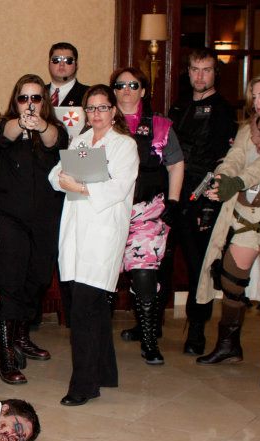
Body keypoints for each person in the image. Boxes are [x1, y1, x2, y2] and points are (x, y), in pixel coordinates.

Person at [48, 85, 139, 406]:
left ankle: (84, 385)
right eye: (91, 108)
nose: (96, 114)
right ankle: (105, 371)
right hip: (75, 231)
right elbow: (55, 176)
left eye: (103, 108)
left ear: (114, 111)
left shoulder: (124, 145)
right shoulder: (81, 141)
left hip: (103, 233)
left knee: (84, 309)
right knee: (93, 307)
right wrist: (68, 180)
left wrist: (82, 186)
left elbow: (118, 187)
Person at [196, 71, 260, 388]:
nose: (257, 102)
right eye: (254, 96)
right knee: (231, 278)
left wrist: (236, 182)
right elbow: (234, 158)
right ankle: (228, 346)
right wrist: (223, 177)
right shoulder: (249, 129)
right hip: (244, 214)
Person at [0, 74, 69, 381]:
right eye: (24, 98)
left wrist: (41, 126)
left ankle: (21, 336)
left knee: (38, 279)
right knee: (10, 281)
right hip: (10, 219)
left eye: (36, 98)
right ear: (16, 101)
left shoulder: (54, 128)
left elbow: (56, 141)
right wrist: (21, 123)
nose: (30, 104)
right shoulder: (5, 126)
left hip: (45, 220)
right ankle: (5, 354)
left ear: (44, 101)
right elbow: (1, 136)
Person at [111, 67, 185, 365]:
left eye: (133, 85)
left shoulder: (160, 125)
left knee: (144, 274)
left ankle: (149, 339)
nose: (126, 90)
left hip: (147, 213)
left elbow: (175, 164)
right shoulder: (100, 121)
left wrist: (174, 201)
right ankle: (98, 339)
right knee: (103, 277)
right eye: (120, 85)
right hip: (107, 213)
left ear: (143, 91)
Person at [167, 48, 238, 355]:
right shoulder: (179, 105)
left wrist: (208, 197)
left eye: (206, 70)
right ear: (188, 72)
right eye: (195, 69)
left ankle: (196, 331)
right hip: (172, 194)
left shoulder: (223, 110)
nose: (200, 75)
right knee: (161, 260)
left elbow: (224, 160)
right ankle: (150, 326)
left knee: (199, 267)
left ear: (215, 73)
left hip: (201, 198)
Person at [46, 42, 89, 107]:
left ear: (76, 65)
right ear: (49, 64)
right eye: (56, 59)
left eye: (68, 60)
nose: (61, 64)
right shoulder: (37, 93)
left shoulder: (89, 94)